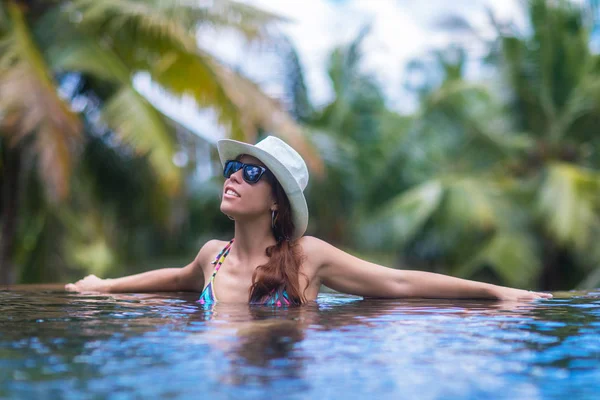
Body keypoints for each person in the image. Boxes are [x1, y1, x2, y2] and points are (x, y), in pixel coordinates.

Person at [65, 136, 553, 305]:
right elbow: (173, 281)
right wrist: (103, 286)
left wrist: (493, 292)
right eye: (231, 169)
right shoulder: (212, 257)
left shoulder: (306, 257)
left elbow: (399, 282)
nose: (233, 177)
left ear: (276, 200)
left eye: (249, 172)